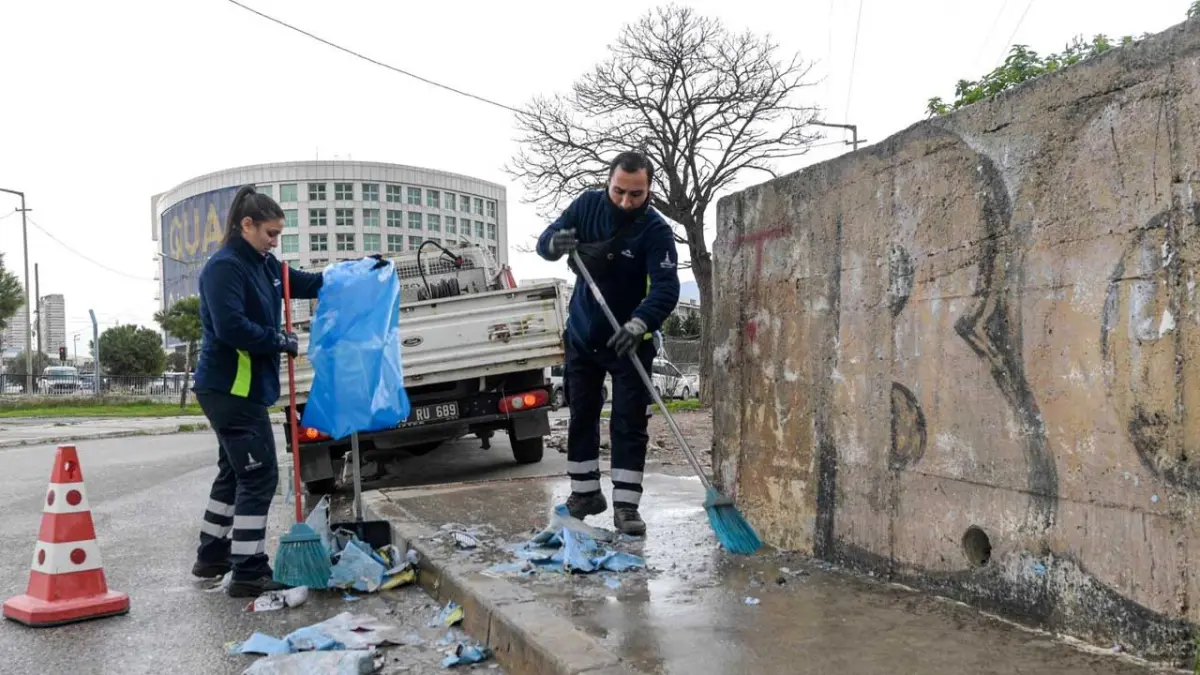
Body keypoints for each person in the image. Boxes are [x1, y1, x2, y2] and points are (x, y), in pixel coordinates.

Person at [188, 186, 387, 597]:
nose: (275, 241)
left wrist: (360, 271)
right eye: (271, 233)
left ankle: (212, 554)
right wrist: (281, 340)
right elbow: (231, 328)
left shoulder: (264, 265)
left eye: (278, 234)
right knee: (259, 475)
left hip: (245, 388)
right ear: (246, 225)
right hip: (230, 389)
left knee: (234, 472)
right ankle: (248, 572)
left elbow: (310, 283)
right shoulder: (224, 268)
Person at [537, 151, 680, 535]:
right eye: (619, 192)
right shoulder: (586, 206)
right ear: (608, 183)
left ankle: (626, 506)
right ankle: (585, 494)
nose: (626, 202)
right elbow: (545, 242)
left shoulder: (656, 231)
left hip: (629, 341)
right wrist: (554, 244)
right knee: (582, 413)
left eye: (636, 194)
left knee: (629, 422)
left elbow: (666, 288)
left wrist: (639, 324)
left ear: (649, 191)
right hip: (584, 335)